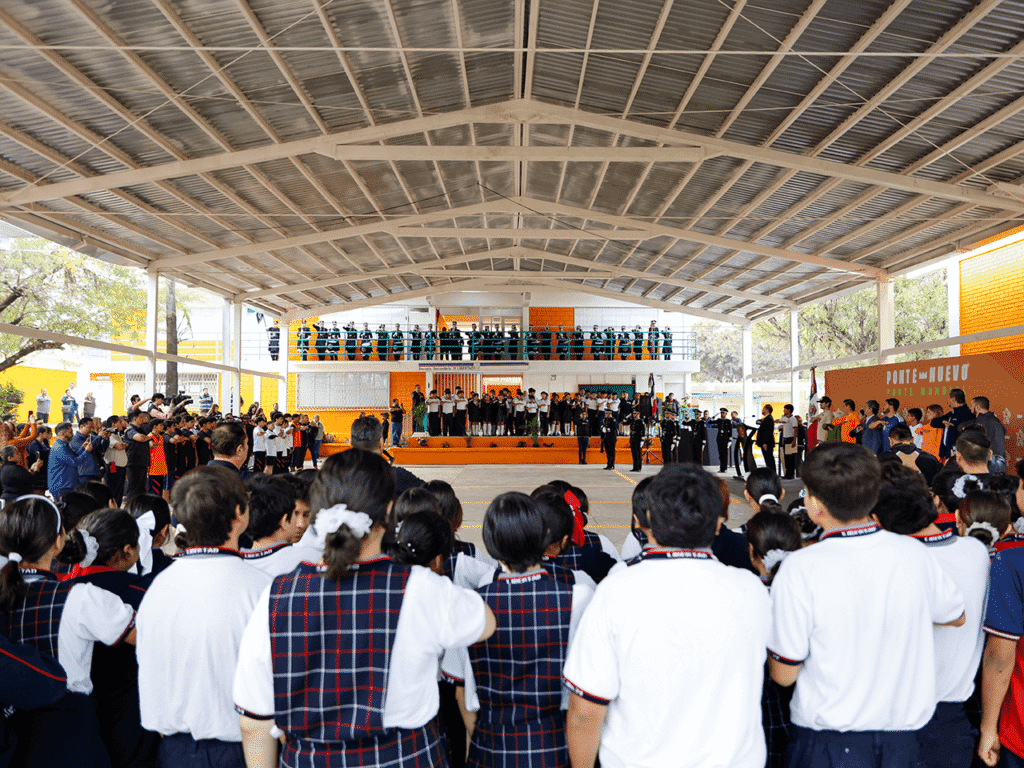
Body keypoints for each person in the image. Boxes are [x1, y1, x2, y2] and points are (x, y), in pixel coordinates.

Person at [233, 449, 495, 767]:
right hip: (403, 757)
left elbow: (254, 723)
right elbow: (485, 623)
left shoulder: (277, 596)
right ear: (389, 510)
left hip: (311, 759)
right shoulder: (419, 587)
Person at [768, 443, 966, 768]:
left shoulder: (801, 567)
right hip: (904, 741)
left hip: (828, 743)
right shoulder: (914, 554)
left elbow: (784, 674)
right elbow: (956, 615)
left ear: (814, 504)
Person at [563, 464, 771, 768]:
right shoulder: (752, 591)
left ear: (646, 519)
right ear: (717, 522)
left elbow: (584, 712)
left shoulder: (616, 591)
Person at [443, 492, 593, 768]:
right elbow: (583, 697)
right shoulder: (577, 598)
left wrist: (483, 741)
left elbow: (461, 692)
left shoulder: (469, 605)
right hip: (553, 749)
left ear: (491, 544)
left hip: (490, 749)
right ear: (543, 536)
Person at [136, 467, 273, 768]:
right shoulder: (261, 589)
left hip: (175, 749)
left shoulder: (158, 588)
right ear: (239, 513)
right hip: (245, 749)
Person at [0, 495, 137, 768]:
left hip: (11, 736)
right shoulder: (81, 598)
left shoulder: (4, 595)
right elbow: (149, 637)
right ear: (58, 541)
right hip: (70, 735)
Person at [871, 466, 989, 768]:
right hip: (952, 722)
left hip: (894, 716)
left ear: (877, 520)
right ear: (931, 500)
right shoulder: (976, 552)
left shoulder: (892, 564)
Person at [240, 474, 307, 577]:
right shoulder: (309, 562)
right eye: (295, 513)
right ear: (284, 520)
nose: (300, 524)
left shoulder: (230, 568)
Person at [350, 415, 425, 495]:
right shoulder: (397, 476)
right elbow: (431, 494)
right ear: (380, 443)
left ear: (351, 443)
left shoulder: (341, 477)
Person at [46, 421, 95, 499]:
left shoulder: (63, 445)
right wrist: (87, 451)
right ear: (63, 434)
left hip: (66, 484)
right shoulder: (60, 447)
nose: (72, 435)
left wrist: (82, 448)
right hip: (62, 485)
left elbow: (73, 457)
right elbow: (75, 462)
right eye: (70, 432)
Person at [931, 388, 974, 460]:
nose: (947, 401)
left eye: (948, 398)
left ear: (953, 399)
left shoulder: (967, 414)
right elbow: (933, 423)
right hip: (948, 452)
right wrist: (942, 422)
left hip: (959, 453)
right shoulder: (951, 414)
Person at [972, 396, 1007, 474]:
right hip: (997, 461)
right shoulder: (994, 420)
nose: (970, 408)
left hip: (989, 463)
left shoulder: (982, 422)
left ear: (977, 407)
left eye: (972, 405)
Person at [776, 404, 798, 479]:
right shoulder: (785, 418)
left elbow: (796, 430)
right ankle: (787, 474)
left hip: (790, 439)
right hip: (785, 439)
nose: (784, 411)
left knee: (791, 458)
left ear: (789, 410)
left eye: (785, 410)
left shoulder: (793, 419)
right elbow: (779, 421)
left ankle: (791, 475)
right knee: (786, 458)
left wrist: (794, 440)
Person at [755, 405, 776, 475]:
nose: (762, 410)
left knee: (769, 459)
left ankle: (772, 474)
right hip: (765, 442)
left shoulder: (769, 419)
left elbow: (767, 432)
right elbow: (757, 421)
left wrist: (765, 443)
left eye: (763, 409)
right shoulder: (766, 418)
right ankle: (771, 474)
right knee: (767, 459)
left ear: (767, 410)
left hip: (767, 443)